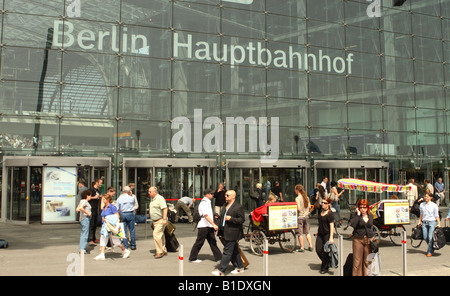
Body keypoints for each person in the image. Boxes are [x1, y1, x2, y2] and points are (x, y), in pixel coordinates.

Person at [212, 190, 245, 276]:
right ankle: (240, 267)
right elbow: (222, 218)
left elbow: (241, 220)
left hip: (233, 232)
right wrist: (219, 228)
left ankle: (221, 270)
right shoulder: (225, 205)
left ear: (233, 197)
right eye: (225, 195)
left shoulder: (238, 207)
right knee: (234, 250)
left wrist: (231, 219)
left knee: (227, 251)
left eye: (227, 195)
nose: (225, 197)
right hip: (225, 231)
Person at [189, 188, 222, 263]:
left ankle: (219, 257)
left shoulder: (207, 202)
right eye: (211, 194)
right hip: (204, 225)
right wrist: (213, 224)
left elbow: (208, 214)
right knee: (199, 242)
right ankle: (192, 258)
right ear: (207, 194)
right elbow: (206, 215)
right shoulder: (204, 203)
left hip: (207, 225)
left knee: (212, 241)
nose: (213, 195)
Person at [94, 195, 130, 260]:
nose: (103, 200)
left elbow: (117, 216)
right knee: (103, 238)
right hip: (105, 226)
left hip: (110, 226)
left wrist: (107, 219)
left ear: (108, 199)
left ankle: (125, 250)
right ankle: (102, 254)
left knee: (115, 240)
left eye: (104, 199)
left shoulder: (112, 207)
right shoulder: (105, 207)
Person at [349, 199, 374, 276]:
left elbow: (370, 227)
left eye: (364, 207)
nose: (363, 209)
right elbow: (353, 224)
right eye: (361, 207)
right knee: (357, 262)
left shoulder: (370, 215)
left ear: (367, 208)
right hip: (358, 239)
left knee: (367, 261)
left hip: (368, 240)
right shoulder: (355, 215)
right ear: (358, 208)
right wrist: (358, 214)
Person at [315, 196, 335, 274]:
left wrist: (331, 237)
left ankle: (324, 267)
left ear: (328, 204)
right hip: (320, 233)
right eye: (322, 202)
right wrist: (317, 231)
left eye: (325, 203)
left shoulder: (330, 214)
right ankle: (327, 261)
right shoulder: (321, 211)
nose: (323, 204)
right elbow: (320, 224)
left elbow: (332, 226)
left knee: (325, 251)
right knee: (318, 250)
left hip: (327, 234)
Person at [418, 193, 441, 257]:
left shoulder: (434, 205)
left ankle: (429, 251)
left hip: (432, 222)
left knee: (430, 237)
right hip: (424, 222)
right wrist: (419, 221)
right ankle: (432, 246)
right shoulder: (422, 205)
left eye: (427, 196)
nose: (426, 198)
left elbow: (436, 215)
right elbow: (421, 214)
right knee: (425, 237)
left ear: (431, 197)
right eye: (425, 196)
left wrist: (439, 223)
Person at [148, 186, 168, 259]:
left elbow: (165, 208)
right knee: (161, 235)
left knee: (156, 235)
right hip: (155, 221)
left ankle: (159, 252)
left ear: (155, 192)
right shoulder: (153, 199)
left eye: (150, 192)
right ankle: (163, 249)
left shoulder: (160, 198)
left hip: (160, 220)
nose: (148, 193)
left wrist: (164, 219)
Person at [116, 186, 137, 251]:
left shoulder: (119, 199)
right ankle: (133, 245)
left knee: (124, 230)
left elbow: (117, 208)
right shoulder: (131, 198)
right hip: (130, 213)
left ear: (123, 191)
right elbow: (134, 204)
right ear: (129, 191)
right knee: (132, 230)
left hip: (122, 213)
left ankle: (125, 245)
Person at [294, 184, 313, 252]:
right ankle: (310, 246)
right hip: (306, 216)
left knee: (300, 233)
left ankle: (302, 247)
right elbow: (310, 206)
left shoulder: (297, 198)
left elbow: (298, 208)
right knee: (307, 232)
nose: (295, 191)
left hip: (300, 217)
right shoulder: (306, 197)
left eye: (295, 190)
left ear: (297, 190)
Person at [76, 190, 92, 254]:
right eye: (90, 195)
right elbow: (81, 208)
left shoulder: (81, 201)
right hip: (85, 218)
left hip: (82, 219)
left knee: (83, 234)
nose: (90, 197)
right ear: (87, 196)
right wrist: (88, 213)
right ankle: (83, 249)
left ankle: (81, 248)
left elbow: (77, 209)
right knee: (85, 234)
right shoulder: (85, 201)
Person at [88, 180, 101, 245]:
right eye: (100, 183)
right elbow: (88, 198)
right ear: (96, 183)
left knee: (95, 224)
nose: (101, 184)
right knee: (91, 224)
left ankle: (94, 237)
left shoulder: (97, 190)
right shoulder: (91, 190)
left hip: (96, 208)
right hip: (91, 208)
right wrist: (94, 197)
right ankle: (90, 238)